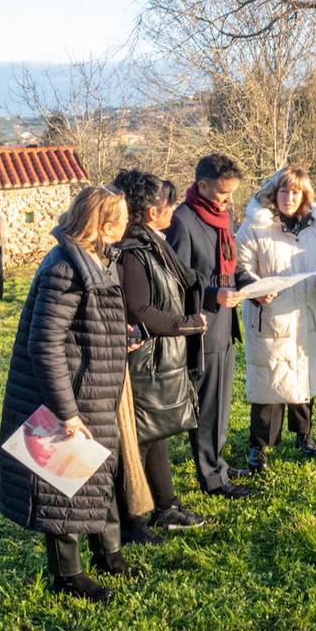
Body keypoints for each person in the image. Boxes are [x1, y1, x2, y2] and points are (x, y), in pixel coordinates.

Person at [0, 185, 136, 602]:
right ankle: (68, 576)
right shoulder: (65, 267)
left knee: (99, 474)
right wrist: (66, 411)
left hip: (96, 388)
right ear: (101, 225)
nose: (128, 224)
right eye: (122, 218)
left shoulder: (99, 260)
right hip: (71, 395)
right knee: (63, 484)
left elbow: (88, 325)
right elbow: (45, 344)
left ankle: (107, 553)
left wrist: (118, 336)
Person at [112, 169, 208, 542]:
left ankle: (165, 505)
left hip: (155, 355)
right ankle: (133, 521)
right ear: (152, 211)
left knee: (156, 433)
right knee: (136, 441)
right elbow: (138, 308)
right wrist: (185, 324)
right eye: (169, 205)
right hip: (141, 359)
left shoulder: (151, 241)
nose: (174, 210)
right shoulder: (134, 251)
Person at [236, 167, 316, 473]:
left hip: (305, 314)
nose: (289, 197)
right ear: (274, 193)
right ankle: (258, 446)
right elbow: (240, 267)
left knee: (303, 377)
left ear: (306, 196)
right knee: (269, 381)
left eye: (296, 192)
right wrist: (256, 291)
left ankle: (304, 435)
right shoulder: (256, 225)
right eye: (284, 191)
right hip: (270, 314)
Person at [165, 153, 255, 498]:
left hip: (226, 323)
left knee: (220, 400)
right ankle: (212, 476)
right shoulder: (182, 221)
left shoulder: (223, 216)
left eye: (232, 193)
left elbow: (230, 266)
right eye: (222, 193)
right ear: (202, 186)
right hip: (204, 324)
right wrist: (215, 294)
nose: (228, 200)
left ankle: (216, 461)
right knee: (208, 402)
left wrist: (251, 285)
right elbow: (176, 280)